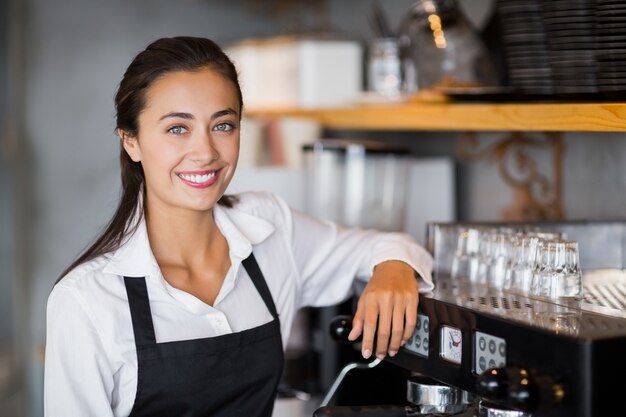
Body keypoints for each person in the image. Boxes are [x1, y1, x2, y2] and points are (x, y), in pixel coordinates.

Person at [44, 36, 434, 417]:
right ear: (131, 141)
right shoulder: (87, 300)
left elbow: (382, 246)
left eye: (223, 125)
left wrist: (394, 269)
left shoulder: (269, 229)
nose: (206, 153)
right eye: (178, 128)